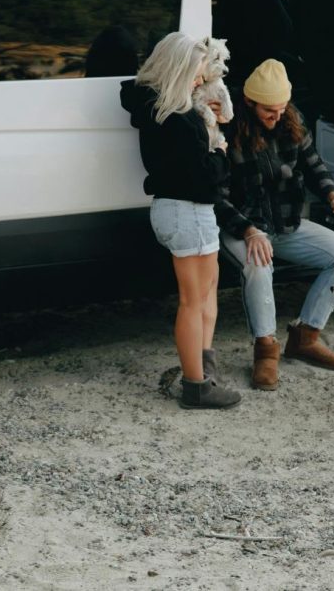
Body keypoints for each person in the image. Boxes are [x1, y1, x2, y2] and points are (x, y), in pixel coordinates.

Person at [215, 59, 334, 391]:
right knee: (258, 265)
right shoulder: (227, 127)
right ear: (249, 103)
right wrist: (249, 231)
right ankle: (266, 352)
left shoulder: (292, 118)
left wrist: (333, 196)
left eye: (281, 109)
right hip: (242, 227)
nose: (277, 116)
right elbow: (215, 196)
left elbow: (314, 166)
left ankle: (305, 337)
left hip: (288, 224)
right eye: (269, 110)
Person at [119, 32, 242, 410]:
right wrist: (220, 150)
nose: (200, 80)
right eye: (196, 73)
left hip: (177, 209)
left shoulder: (158, 110)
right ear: (178, 70)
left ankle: (203, 367)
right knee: (194, 299)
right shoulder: (179, 118)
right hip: (188, 209)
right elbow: (206, 175)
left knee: (207, 290)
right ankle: (196, 385)